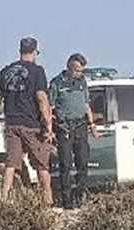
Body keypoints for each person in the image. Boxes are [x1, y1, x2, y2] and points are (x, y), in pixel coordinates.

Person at [0, 37, 54, 205]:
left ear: (20, 51)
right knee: (41, 165)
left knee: (11, 164)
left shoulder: (5, 72)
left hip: (11, 123)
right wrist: (48, 126)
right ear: (34, 52)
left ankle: (4, 198)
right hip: (31, 124)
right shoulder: (37, 72)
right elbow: (41, 98)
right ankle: (47, 200)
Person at [49, 53, 99, 209]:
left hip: (80, 126)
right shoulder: (57, 83)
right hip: (64, 126)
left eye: (81, 71)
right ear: (69, 67)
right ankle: (66, 199)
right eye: (76, 70)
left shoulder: (82, 82)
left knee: (83, 162)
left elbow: (86, 105)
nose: (79, 74)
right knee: (65, 164)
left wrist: (92, 125)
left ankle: (79, 195)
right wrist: (49, 129)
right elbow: (49, 108)